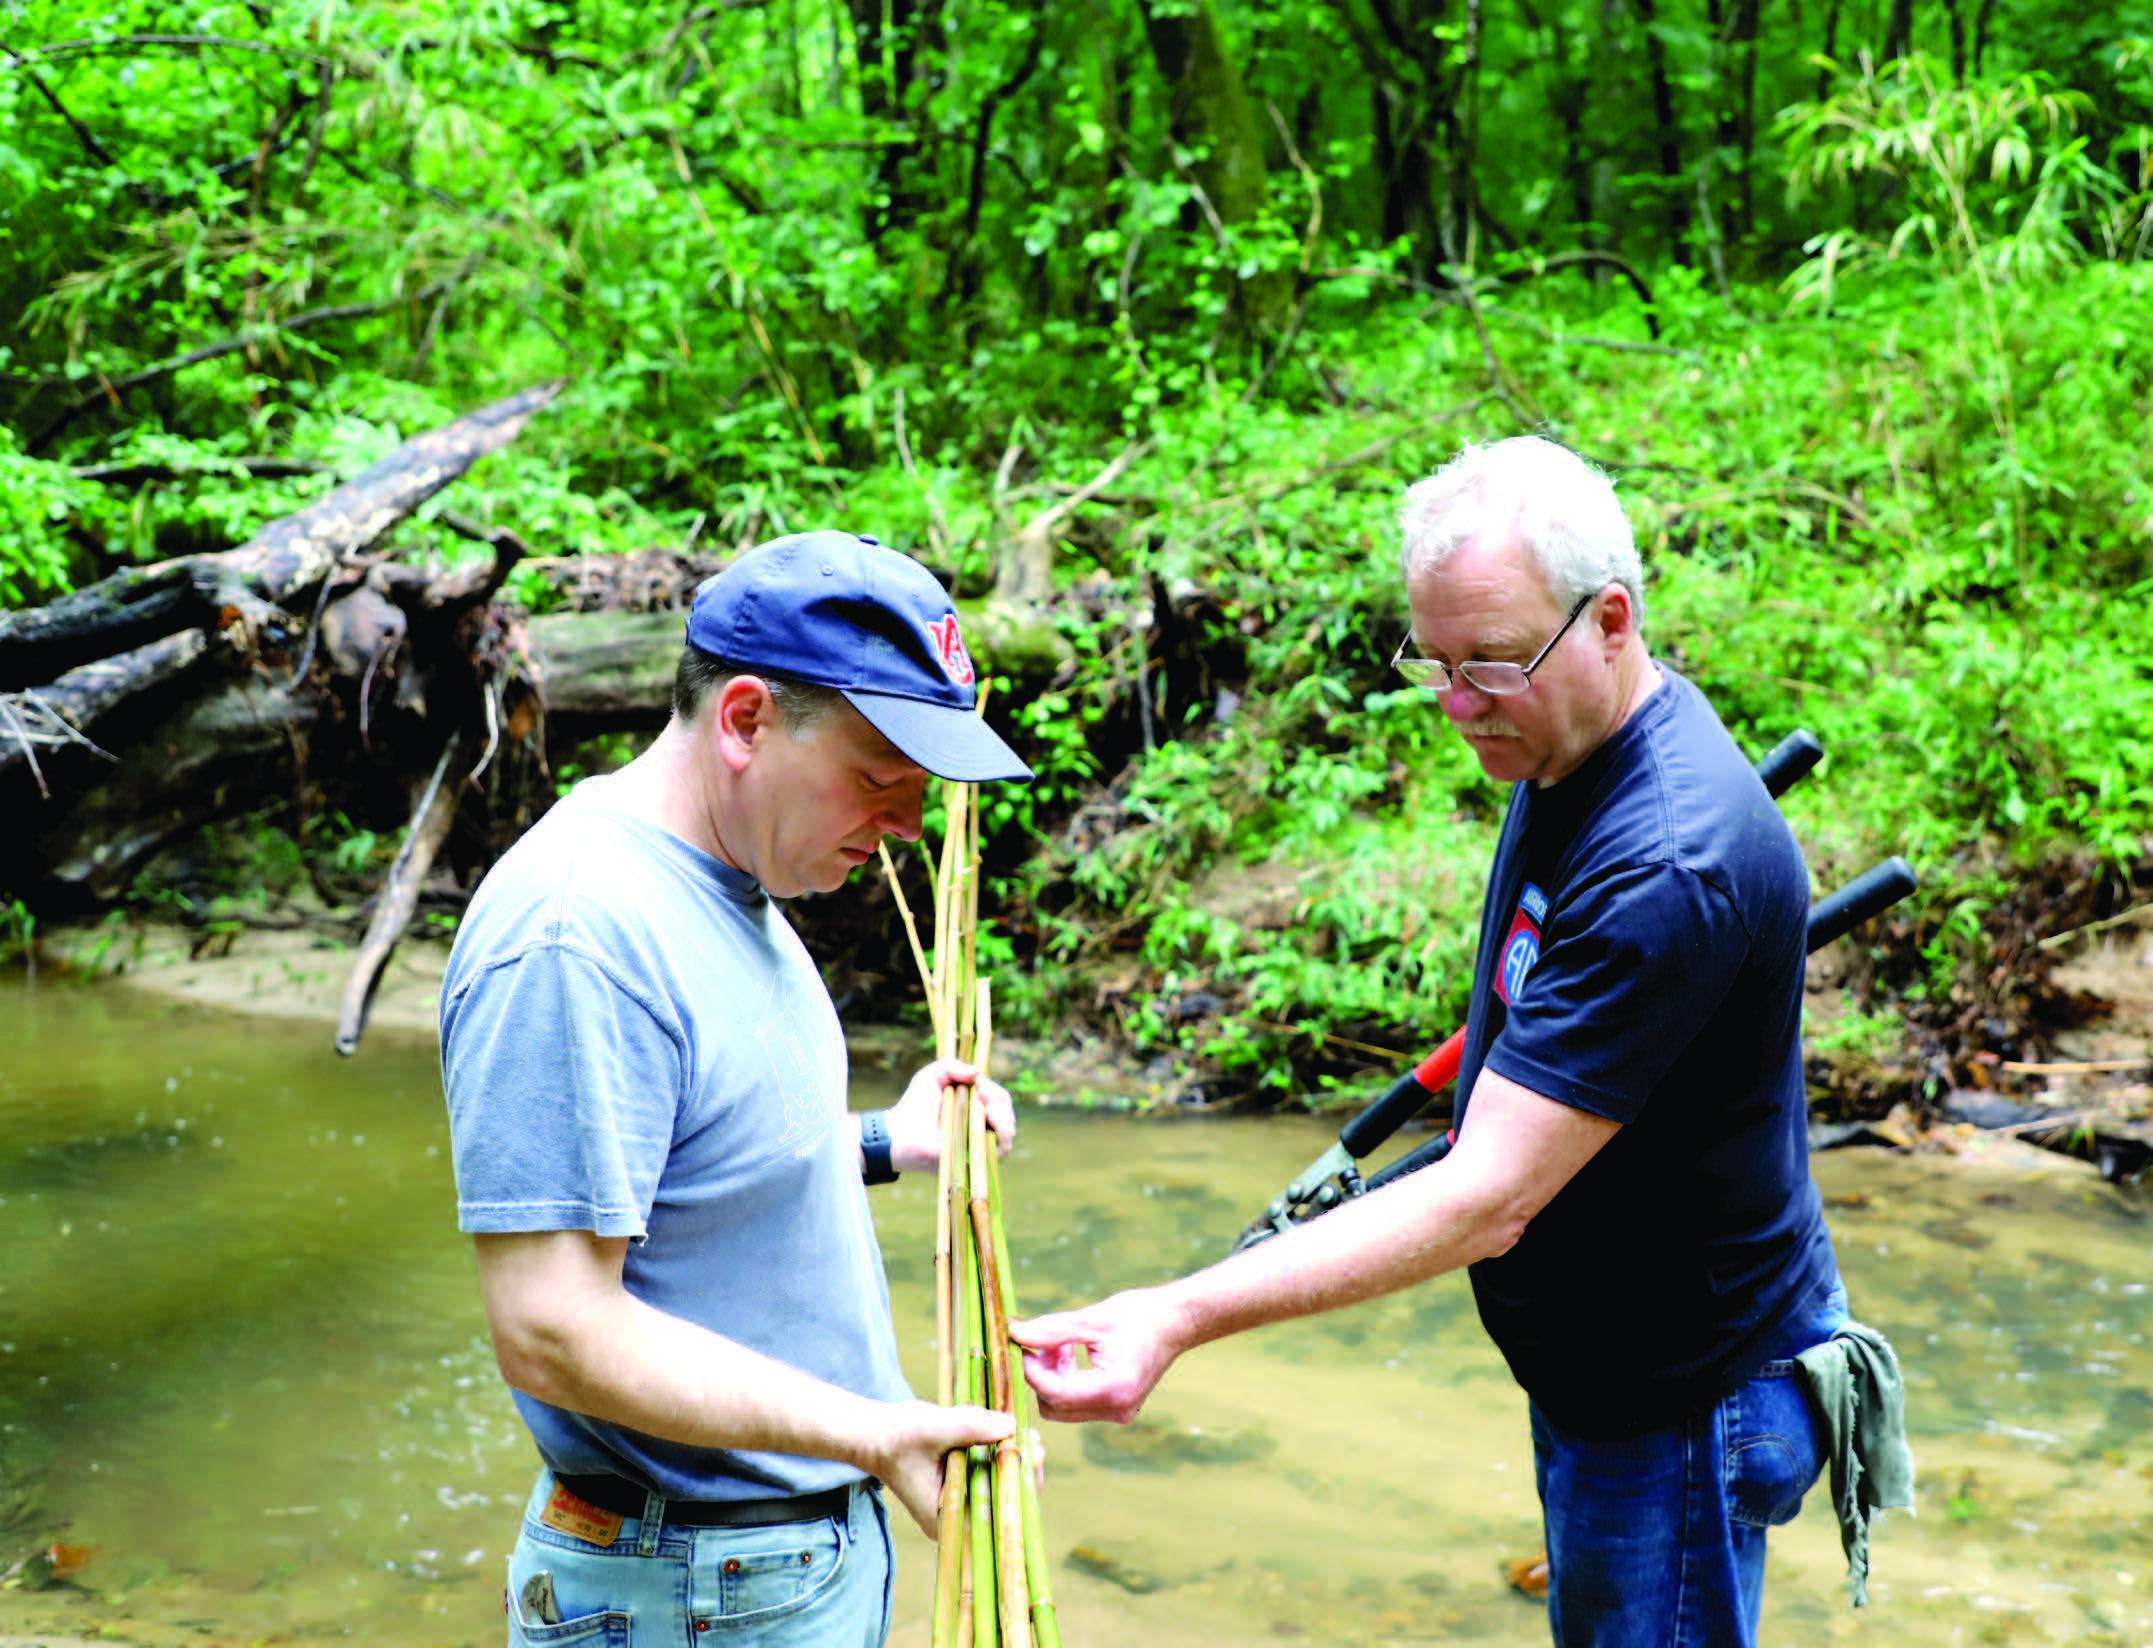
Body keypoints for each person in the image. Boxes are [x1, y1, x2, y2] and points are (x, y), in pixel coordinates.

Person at [1013, 438, 1905, 1646]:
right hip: (1611, 1372)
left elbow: (1483, 1197)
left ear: (1610, 619)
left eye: (1486, 662)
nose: (1452, 702)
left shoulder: (1666, 861)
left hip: (1681, 1398)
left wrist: (1173, 1315)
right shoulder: (1567, 733)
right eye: (1430, 661)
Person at [440, 529, 1033, 1647]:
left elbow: (684, 1162)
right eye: (878, 776)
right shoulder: (578, 934)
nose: (906, 824)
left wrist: (880, 1141)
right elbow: (551, 1325)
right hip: (688, 1587)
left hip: (772, 1559)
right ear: (745, 719)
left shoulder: (735, 877)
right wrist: (872, 1433)